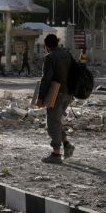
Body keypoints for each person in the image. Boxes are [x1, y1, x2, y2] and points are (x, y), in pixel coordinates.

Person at [34, 34, 75, 164]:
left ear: (46, 46)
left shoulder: (50, 58)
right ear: (57, 43)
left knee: (52, 124)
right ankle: (67, 145)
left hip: (56, 94)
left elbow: (46, 79)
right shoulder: (67, 54)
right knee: (57, 121)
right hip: (68, 93)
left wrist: (40, 98)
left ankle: (56, 154)